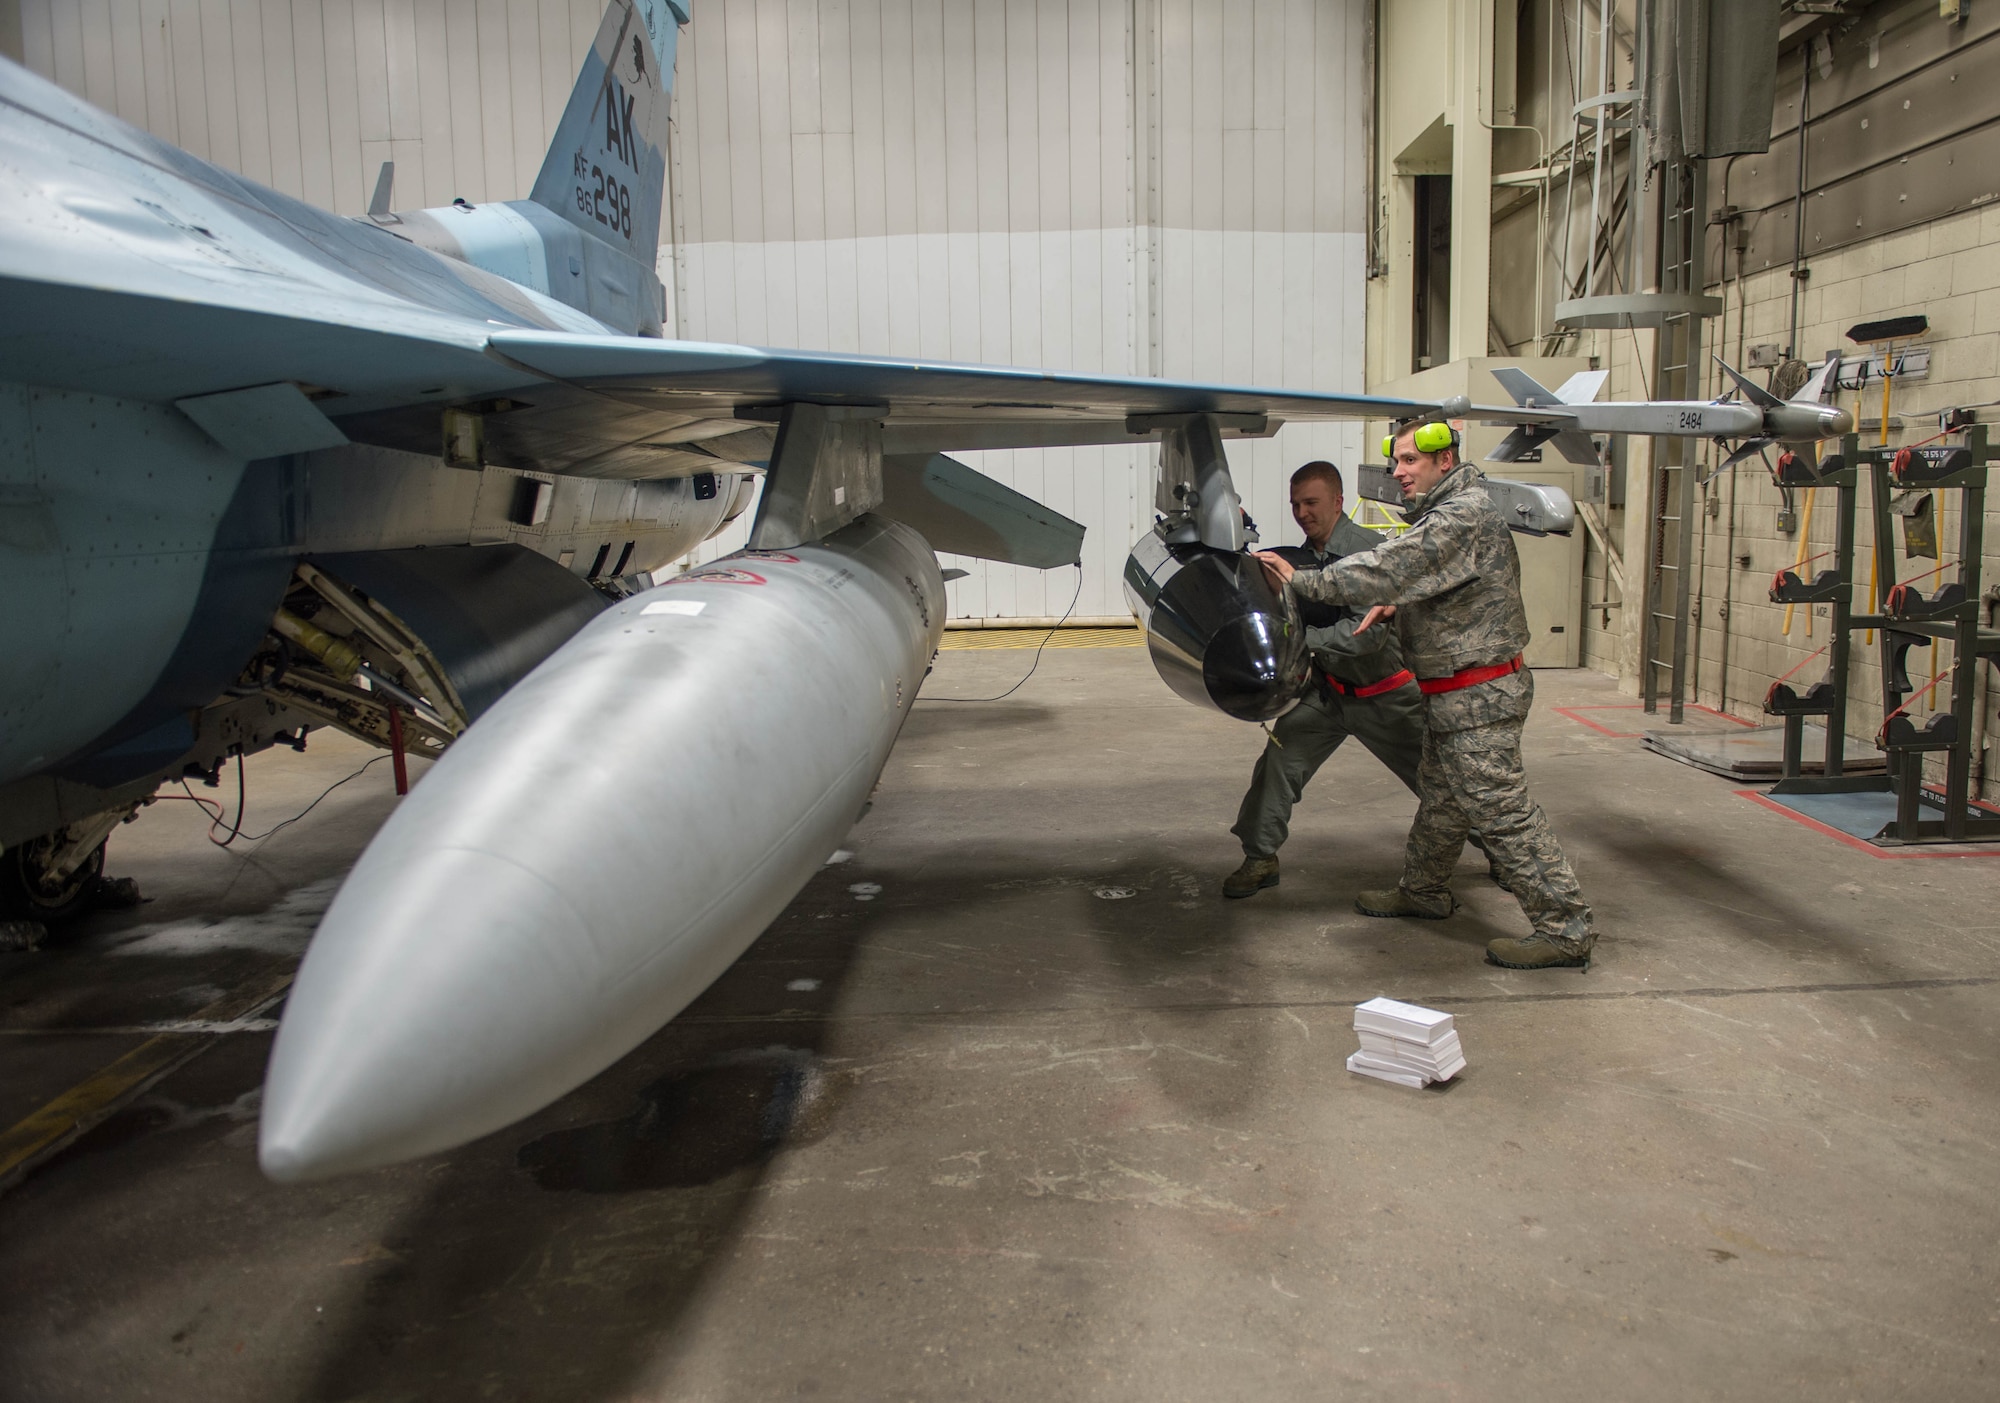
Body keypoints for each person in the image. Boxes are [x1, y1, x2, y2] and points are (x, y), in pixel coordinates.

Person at [1252, 423, 1595, 970]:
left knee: (1504, 814)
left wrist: (1301, 580)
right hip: (1451, 692)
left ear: (1445, 460)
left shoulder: (1461, 515)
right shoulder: (1449, 511)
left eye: (1410, 461)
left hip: (1478, 695)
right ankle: (1424, 891)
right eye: (1397, 462)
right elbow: (1440, 584)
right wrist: (1402, 604)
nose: (1399, 472)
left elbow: (1388, 567)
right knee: (1442, 801)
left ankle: (1565, 928)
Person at [1224, 462, 1503, 899]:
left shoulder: (1371, 553)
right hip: (1328, 694)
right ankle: (1260, 857)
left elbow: (1366, 635)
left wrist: (1296, 642)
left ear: (1338, 502)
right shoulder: (1300, 559)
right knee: (1278, 766)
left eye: (1311, 503)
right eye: (1295, 504)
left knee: (1444, 784)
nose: (1302, 513)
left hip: (1387, 696)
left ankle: (1504, 851)